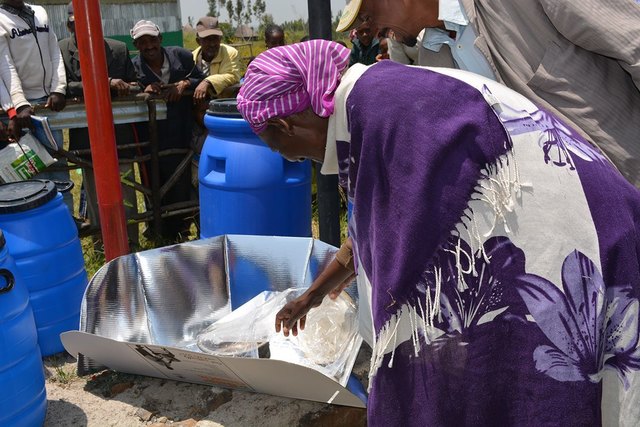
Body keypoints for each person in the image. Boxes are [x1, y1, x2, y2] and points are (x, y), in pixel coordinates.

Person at [237, 40, 640, 426]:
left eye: (276, 147)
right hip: (602, 219)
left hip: (577, 242)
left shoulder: (380, 116)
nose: (290, 159)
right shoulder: (373, 95)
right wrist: (313, 295)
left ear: (285, 124)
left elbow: (407, 279)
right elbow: (373, 233)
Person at [336, 0, 640, 189]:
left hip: (628, 180)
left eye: (368, 16)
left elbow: (632, 43)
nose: (373, 31)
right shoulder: (434, 62)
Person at [59, 2, 140, 242]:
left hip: (120, 131)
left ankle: (131, 240)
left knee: (126, 187)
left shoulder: (118, 48)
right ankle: (100, 243)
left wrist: (124, 86)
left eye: (86, 23)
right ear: (69, 25)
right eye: (76, 24)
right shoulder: (62, 50)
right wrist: (104, 82)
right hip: (86, 134)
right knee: (94, 192)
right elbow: (62, 86)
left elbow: (134, 83)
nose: (82, 28)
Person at [131, 20, 205, 242]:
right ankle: (160, 234)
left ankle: (182, 231)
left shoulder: (180, 56)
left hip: (181, 131)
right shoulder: (134, 66)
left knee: (182, 183)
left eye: (152, 40)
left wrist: (183, 84)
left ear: (160, 39)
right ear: (136, 45)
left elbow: (200, 78)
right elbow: (128, 87)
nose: (148, 46)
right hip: (151, 137)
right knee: (153, 184)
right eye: (142, 42)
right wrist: (142, 90)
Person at [0, 0, 74, 213]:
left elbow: (54, 51)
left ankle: (65, 218)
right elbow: (5, 65)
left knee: (58, 167)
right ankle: (40, 225)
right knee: (31, 176)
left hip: (47, 103)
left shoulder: (40, 12)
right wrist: (18, 104)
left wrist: (59, 88)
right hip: (18, 108)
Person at [191, 16, 240, 102]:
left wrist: (207, 82)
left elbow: (232, 76)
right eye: (207, 39)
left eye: (215, 38)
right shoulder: (192, 57)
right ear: (198, 41)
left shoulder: (230, 53)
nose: (212, 44)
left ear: (220, 39)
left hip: (223, 106)